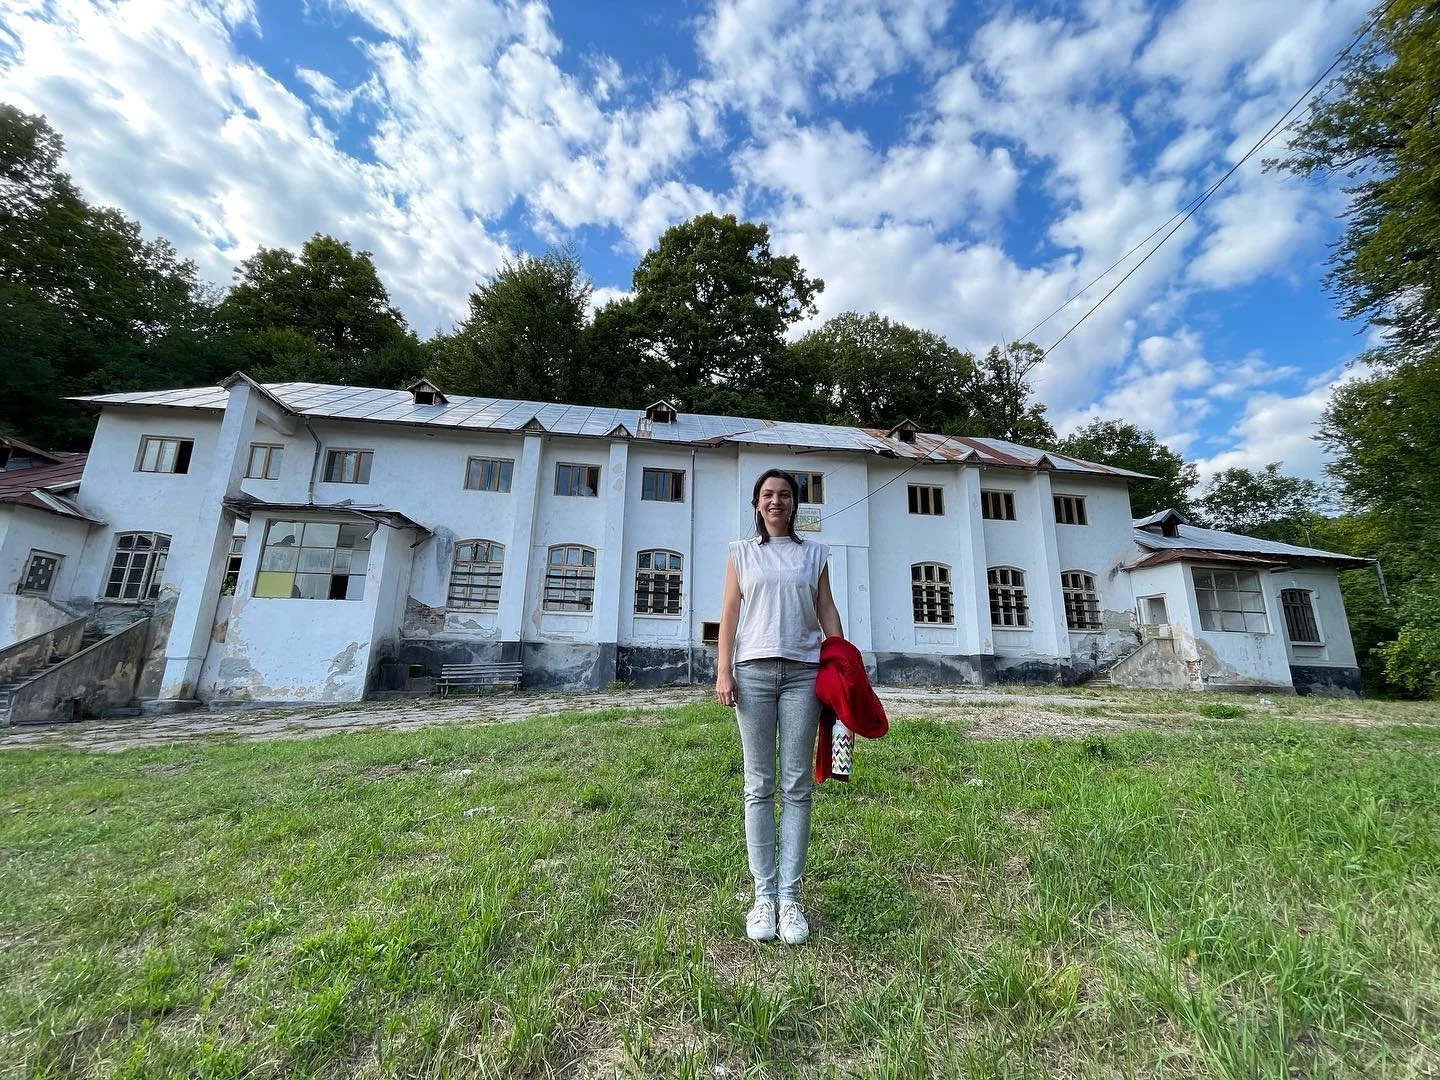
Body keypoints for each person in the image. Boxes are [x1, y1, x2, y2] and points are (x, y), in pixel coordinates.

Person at [716, 468, 843, 945]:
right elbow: (730, 614)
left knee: (796, 785)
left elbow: (826, 610)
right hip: (752, 673)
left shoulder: (815, 554)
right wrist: (723, 670)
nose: (776, 501)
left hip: (804, 675)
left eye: (784, 495)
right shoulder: (741, 553)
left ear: (794, 504)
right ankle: (763, 896)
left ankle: (789, 899)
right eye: (768, 494)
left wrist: (842, 662)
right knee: (758, 784)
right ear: (757, 503)